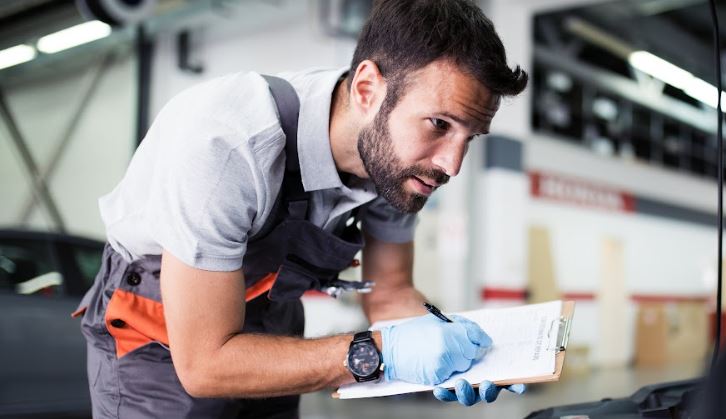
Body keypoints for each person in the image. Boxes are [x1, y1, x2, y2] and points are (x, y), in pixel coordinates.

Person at [72, 0, 529, 416]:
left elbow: (390, 295)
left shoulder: (400, 168)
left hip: (274, 317)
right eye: (439, 124)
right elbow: (205, 364)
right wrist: (381, 352)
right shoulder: (227, 144)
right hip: (160, 331)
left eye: (469, 138)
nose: (451, 164)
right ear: (368, 89)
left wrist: (455, 352)